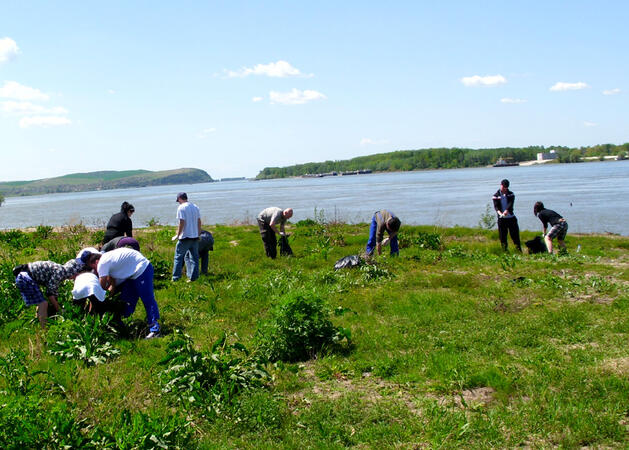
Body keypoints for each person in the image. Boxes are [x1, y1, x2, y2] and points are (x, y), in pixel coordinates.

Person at [87, 248, 161, 339]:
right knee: (126, 299)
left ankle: (155, 330)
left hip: (142, 269)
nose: (95, 270)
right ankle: (121, 327)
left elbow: (101, 286)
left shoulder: (102, 263)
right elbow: (111, 284)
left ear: (96, 261)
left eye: (93, 267)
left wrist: (94, 301)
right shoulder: (107, 259)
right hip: (131, 274)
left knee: (147, 299)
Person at [14, 253, 91, 327]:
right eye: (76, 274)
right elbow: (50, 294)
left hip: (24, 275)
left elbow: (52, 291)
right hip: (25, 278)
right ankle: (44, 329)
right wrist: (59, 310)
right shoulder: (60, 273)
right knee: (43, 304)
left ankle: (39, 320)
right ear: (72, 272)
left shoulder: (60, 269)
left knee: (41, 302)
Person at [172, 192, 201, 281]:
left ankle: (176, 278)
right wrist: (198, 234)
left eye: (178, 200)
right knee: (194, 259)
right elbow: (199, 221)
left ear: (180, 198)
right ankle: (194, 278)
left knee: (178, 258)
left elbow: (182, 222)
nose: (178, 202)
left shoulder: (181, 207)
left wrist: (177, 235)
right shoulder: (195, 207)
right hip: (195, 237)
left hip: (185, 237)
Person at [492, 179, 522, 252]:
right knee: (503, 237)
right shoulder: (495, 196)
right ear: (501, 185)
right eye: (504, 187)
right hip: (502, 219)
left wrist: (506, 210)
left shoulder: (511, 194)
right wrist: (500, 214)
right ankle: (505, 251)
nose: (505, 189)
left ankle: (519, 251)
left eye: (506, 187)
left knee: (515, 236)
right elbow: (496, 207)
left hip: (511, 218)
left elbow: (510, 204)